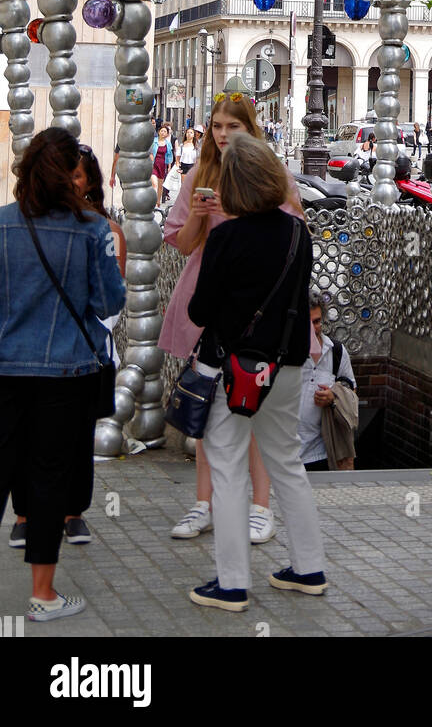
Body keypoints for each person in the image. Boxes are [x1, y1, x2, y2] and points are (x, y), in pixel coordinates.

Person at [187, 135, 327, 610]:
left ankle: (231, 583)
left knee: (226, 466)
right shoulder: (297, 234)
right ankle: (308, 568)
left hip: (234, 368)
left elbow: (200, 310)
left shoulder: (226, 237)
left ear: (232, 185)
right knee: (286, 461)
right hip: (285, 364)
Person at [160, 93, 305, 545]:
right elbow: (181, 243)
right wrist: (200, 219)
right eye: (217, 126)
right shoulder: (198, 176)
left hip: (259, 307)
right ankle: (204, 503)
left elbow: (296, 225)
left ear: (251, 130)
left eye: (233, 127)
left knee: (256, 411)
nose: (222, 134)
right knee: (207, 405)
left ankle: (260, 509)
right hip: (209, 299)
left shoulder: (272, 175)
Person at [0, 129, 125, 622]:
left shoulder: (2, 225)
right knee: (50, 476)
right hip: (66, 370)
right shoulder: (92, 230)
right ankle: (43, 595)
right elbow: (108, 302)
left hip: (6, 367)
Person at [299, 292, 358, 471]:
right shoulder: (282, 355)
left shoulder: (336, 352)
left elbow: (350, 388)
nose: (313, 329)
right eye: (306, 323)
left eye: (317, 322)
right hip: (283, 454)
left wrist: (333, 396)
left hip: (321, 452)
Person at [151, 124, 174, 207]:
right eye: (162, 131)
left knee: (160, 186)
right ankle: (152, 202)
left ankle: (158, 202)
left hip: (162, 165)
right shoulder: (154, 141)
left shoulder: (168, 144)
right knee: (154, 183)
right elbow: (150, 153)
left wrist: (169, 167)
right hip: (154, 164)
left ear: (167, 134)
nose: (163, 133)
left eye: (165, 131)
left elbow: (169, 155)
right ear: (158, 132)